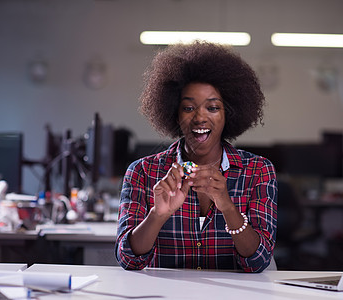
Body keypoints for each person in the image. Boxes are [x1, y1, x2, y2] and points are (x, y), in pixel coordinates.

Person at [115, 41, 277, 272]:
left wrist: (228, 207)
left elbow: (259, 261)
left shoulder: (258, 170)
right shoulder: (142, 172)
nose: (200, 118)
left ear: (228, 113)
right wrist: (157, 215)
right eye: (189, 108)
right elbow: (129, 260)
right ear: (173, 112)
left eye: (212, 108)